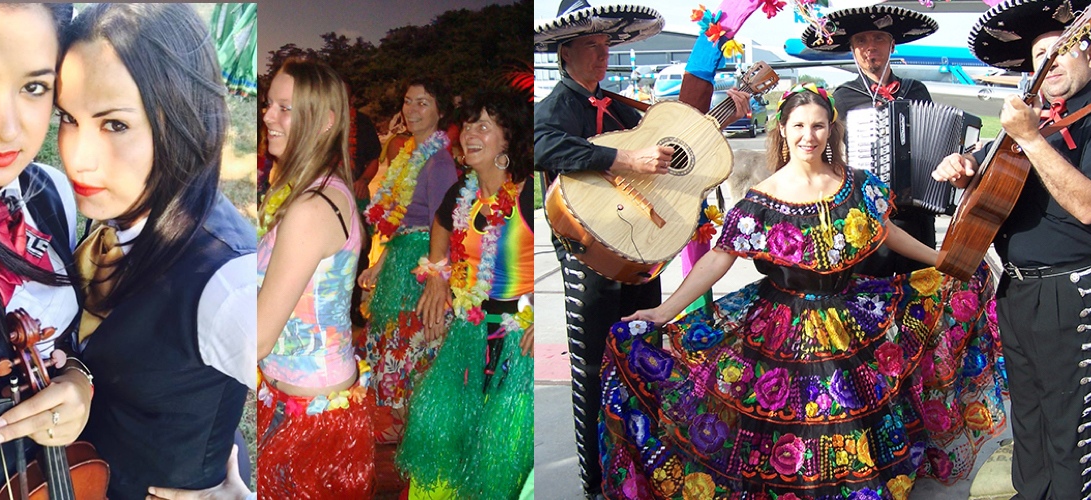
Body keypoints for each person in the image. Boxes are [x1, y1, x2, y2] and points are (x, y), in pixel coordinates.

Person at [601, 84, 1006, 498]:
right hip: (781, 329)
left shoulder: (858, 185)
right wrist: (663, 311)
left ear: (832, 130)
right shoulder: (761, 199)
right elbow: (719, 258)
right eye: (798, 125)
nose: (808, 136)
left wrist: (938, 260)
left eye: (817, 126)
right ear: (782, 128)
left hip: (849, 321)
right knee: (790, 432)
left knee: (846, 422)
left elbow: (887, 232)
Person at [933, 0, 1091, 497]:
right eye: (1039, 54)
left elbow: (1089, 207)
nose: (1049, 62)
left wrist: (1030, 139)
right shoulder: (1042, 122)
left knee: (1071, 421)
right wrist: (963, 165)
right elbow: (998, 174)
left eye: (1062, 50)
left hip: (1073, 291)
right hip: (1018, 289)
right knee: (1029, 414)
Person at [534, 1, 749, 495]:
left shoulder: (621, 105)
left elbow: (679, 141)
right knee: (591, 370)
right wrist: (624, 157)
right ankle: (595, 482)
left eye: (606, 44)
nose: (602, 54)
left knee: (643, 357)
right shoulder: (557, 106)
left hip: (640, 252)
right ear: (566, 52)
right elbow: (544, 146)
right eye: (591, 45)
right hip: (588, 258)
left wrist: (725, 115)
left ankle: (640, 468)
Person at [57, 4, 256, 499]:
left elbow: (303, 382)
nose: (78, 157)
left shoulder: (227, 280)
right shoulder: (110, 212)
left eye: (115, 124)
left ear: (181, 117)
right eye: (68, 118)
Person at [0, 4, 92, 499]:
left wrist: (79, 382)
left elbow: (70, 337)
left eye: (34, 86)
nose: (8, 128)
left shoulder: (52, 191)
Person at [399, 88, 534, 500]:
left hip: (516, 342)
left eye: (485, 125)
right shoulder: (464, 192)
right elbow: (441, 222)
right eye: (469, 124)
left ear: (508, 140)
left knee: (497, 458)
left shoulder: (528, 193)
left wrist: (544, 315)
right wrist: (437, 273)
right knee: (445, 445)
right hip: (468, 335)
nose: (470, 134)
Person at [257, 57, 373, 499]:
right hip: (291, 401)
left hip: (310, 419)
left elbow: (257, 339)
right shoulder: (311, 189)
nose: (268, 116)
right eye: (270, 104)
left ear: (324, 120)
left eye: (284, 107)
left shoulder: (312, 208)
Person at [802, 4, 939, 277]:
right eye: (861, 41)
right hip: (867, 219)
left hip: (917, 217)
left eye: (878, 38)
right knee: (870, 302)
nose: (870, 47)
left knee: (920, 299)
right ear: (852, 50)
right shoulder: (842, 97)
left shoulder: (916, 90)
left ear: (892, 45)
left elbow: (934, 142)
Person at [357, 78, 458, 443]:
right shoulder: (411, 156)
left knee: (413, 347)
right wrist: (380, 263)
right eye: (408, 102)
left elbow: (441, 226)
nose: (412, 110)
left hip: (421, 267)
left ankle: (415, 430)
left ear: (440, 111)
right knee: (394, 342)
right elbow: (401, 223)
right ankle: (401, 422)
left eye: (423, 103)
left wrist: (438, 281)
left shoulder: (439, 162)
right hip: (401, 260)